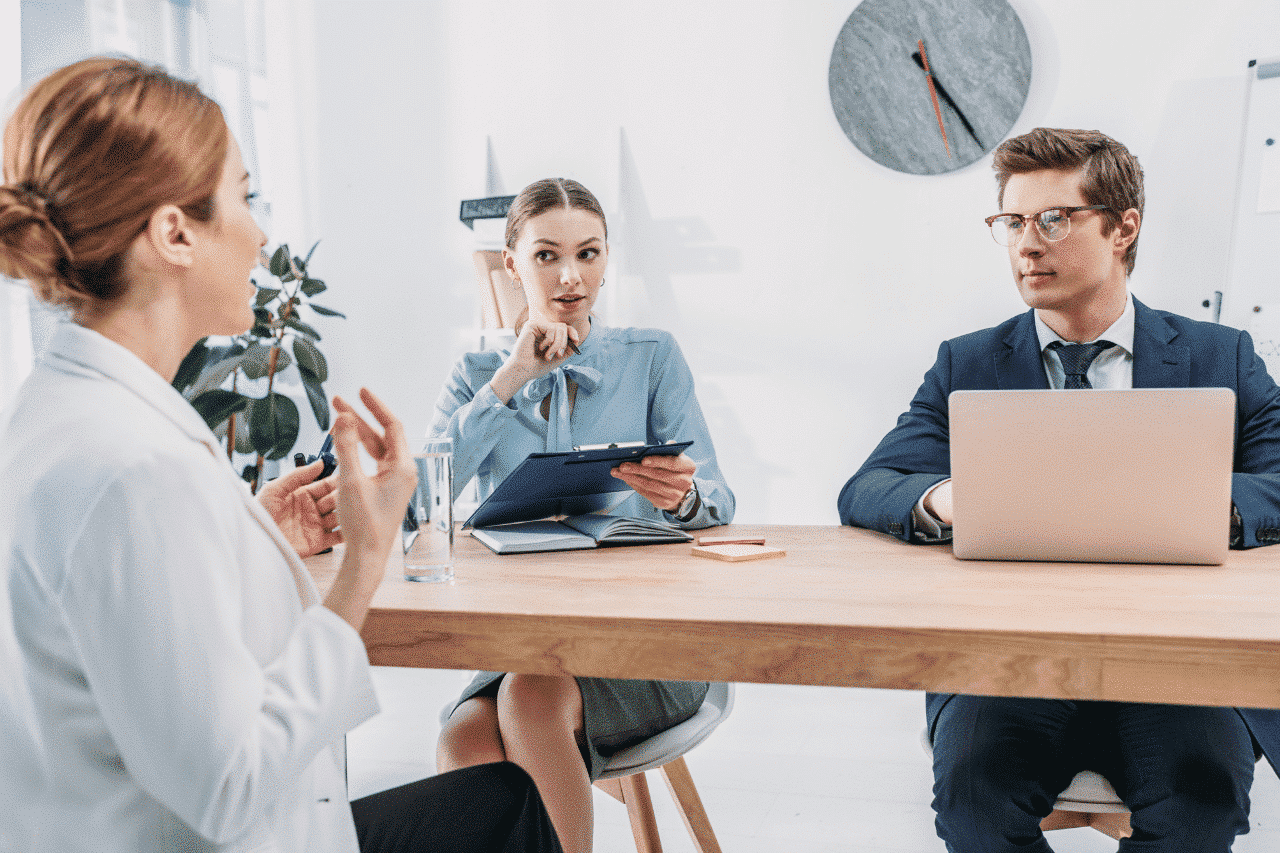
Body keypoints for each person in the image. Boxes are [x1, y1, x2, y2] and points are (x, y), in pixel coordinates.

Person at [0, 57, 562, 853]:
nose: (262, 233)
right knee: (504, 810)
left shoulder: (57, 410)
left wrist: (247, 538)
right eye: (245, 196)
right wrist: (363, 565)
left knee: (499, 801)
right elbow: (230, 784)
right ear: (174, 233)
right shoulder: (137, 472)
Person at [837, 127, 1280, 852]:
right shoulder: (969, 363)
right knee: (975, 802)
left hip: (1174, 656)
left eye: (1052, 219)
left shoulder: (1217, 354)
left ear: (1122, 228)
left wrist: (1204, 505)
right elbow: (871, 485)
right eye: (1011, 222)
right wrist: (951, 499)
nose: (1026, 245)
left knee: (1202, 799)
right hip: (1012, 658)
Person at [430, 177, 733, 852]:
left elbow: (716, 498)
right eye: (547, 255)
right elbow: (423, 502)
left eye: (588, 254)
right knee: (464, 738)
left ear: (605, 260)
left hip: (645, 638)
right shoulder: (477, 374)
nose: (571, 276)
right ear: (512, 265)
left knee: (530, 699)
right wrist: (509, 381)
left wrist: (680, 497)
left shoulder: (651, 357)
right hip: (523, 640)